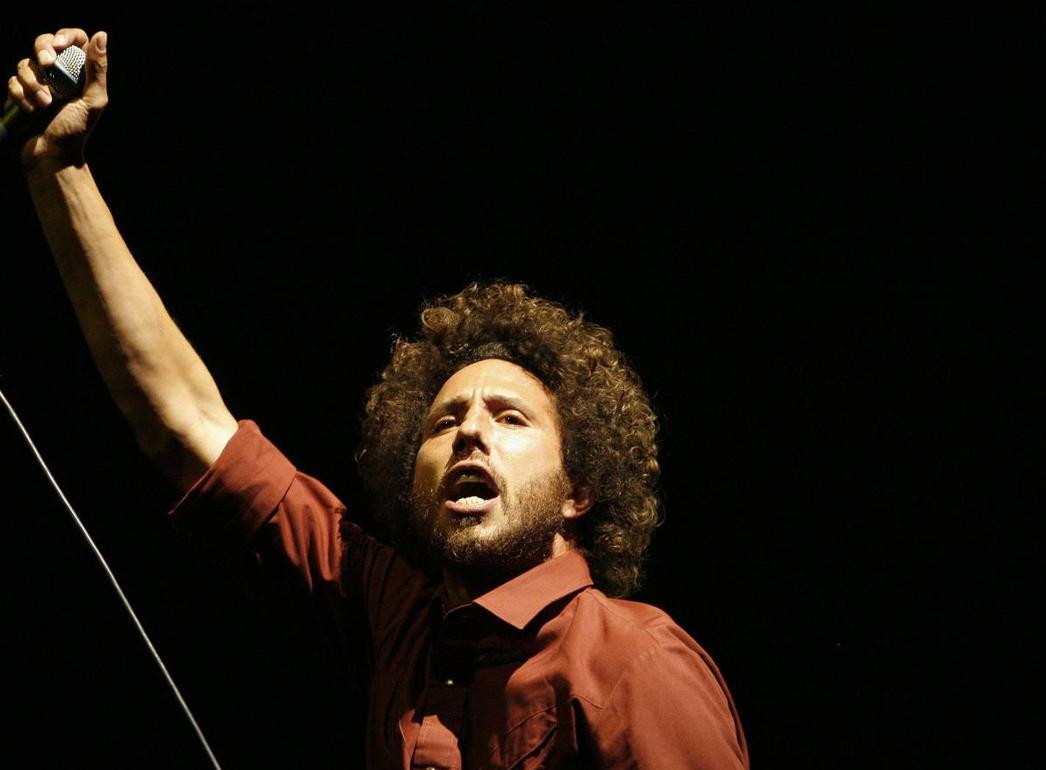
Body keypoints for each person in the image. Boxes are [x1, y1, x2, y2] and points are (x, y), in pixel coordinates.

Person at [7, 27, 750, 769]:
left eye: (510, 417)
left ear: (576, 492)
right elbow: (186, 422)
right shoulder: (398, 616)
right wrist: (58, 169)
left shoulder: (634, 662)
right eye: (444, 421)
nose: (468, 433)